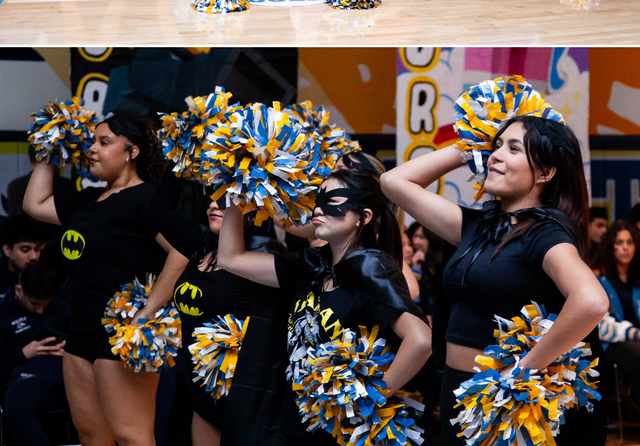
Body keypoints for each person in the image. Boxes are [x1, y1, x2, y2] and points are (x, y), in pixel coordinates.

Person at [381, 114, 610, 446]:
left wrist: (524, 370)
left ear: (545, 172)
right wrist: (469, 147)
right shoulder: (477, 226)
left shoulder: (546, 233)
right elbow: (393, 182)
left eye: (514, 148)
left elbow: (591, 301)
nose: (496, 156)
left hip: (501, 402)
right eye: (496, 146)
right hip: (456, 389)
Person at [218, 167, 433, 446]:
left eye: (332, 202)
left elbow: (420, 340)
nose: (318, 209)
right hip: (292, 424)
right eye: (318, 201)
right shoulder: (313, 265)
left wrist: (370, 398)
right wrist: (238, 191)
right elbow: (230, 258)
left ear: (363, 217)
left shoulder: (372, 270)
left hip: (340, 433)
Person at [23, 113, 189, 446]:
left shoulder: (146, 199)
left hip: (121, 336)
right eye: (91, 142)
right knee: (91, 436)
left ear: (132, 152)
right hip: (80, 334)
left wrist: (147, 312)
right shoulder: (86, 201)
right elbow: (33, 203)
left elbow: (182, 252)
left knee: (132, 437)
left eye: (104, 142)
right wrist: (50, 143)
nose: (92, 150)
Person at [149, 167, 288, 446]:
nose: (214, 203)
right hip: (201, 393)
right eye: (214, 196)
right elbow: (159, 209)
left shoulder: (264, 257)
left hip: (245, 396)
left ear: (252, 210)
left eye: (226, 198)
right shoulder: (200, 243)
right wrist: (181, 154)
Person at [0, 262, 69, 446]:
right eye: (35, 304)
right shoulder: (3, 315)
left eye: (45, 305)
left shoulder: (60, 308)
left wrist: (71, 348)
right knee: (17, 404)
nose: (40, 310)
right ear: (18, 290)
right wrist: (23, 353)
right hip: (26, 376)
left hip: (68, 371)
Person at [595, 221, 640, 410]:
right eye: (620, 242)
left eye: (630, 242)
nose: (625, 248)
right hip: (611, 343)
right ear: (610, 246)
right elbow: (599, 326)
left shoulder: (637, 278)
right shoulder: (598, 278)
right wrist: (633, 334)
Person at [0, 215, 48, 294]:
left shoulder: (46, 277)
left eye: (37, 249)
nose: (34, 257)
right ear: (7, 249)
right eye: (25, 250)